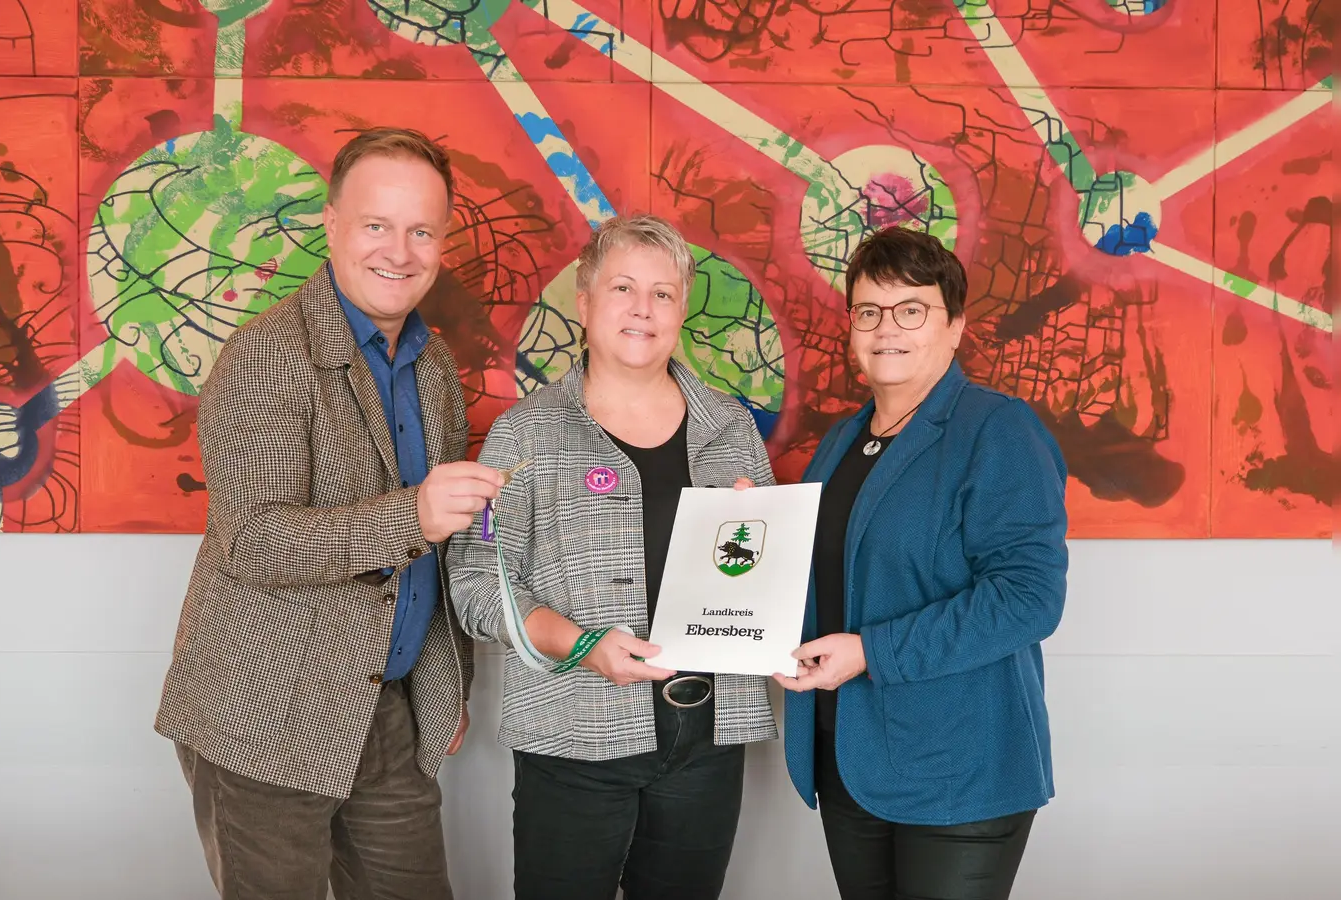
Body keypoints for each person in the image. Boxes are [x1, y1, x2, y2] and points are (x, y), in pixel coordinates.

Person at [154, 127, 505, 900]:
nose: (400, 251)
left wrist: (445, 685)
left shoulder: (435, 364)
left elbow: (441, 556)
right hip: (265, 716)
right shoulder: (267, 354)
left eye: (422, 230)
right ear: (333, 224)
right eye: (378, 225)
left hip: (385, 710)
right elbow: (255, 542)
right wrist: (412, 512)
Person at [447, 214, 777, 900]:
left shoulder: (732, 429)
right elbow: (477, 582)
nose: (642, 309)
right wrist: (580, 642)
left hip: (708, 739)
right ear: (586, 300)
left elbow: (763, 579)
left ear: (682, 309)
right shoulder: (523, 434)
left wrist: (761, 537)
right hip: (573, 738)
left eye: (662, 293)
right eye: (623, 287)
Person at [777, 226, 1069, 900]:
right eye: (870, 311)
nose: (888, 329)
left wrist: (870, 652)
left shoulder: (997, 429)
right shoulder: (847, 440)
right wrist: (755, 532)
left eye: (912, 310)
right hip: (849, 758)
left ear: (955, 326)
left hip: (957, 771)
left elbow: (1028, 599)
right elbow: (834, 573)